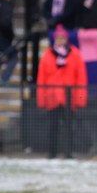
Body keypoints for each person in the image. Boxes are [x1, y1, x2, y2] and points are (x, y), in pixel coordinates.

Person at [36, 25, 88, 159]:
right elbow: (41, 79)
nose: (60, 41)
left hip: (69, 97)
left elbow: (81, 78)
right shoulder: (47, 55)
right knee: (52, 127)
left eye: (62, 38)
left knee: (69, 127)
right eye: (58, 38)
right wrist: (42, 99)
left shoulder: (75, 54)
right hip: (52, 97)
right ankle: (52, 153)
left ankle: (68, 153)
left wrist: (81, 99)